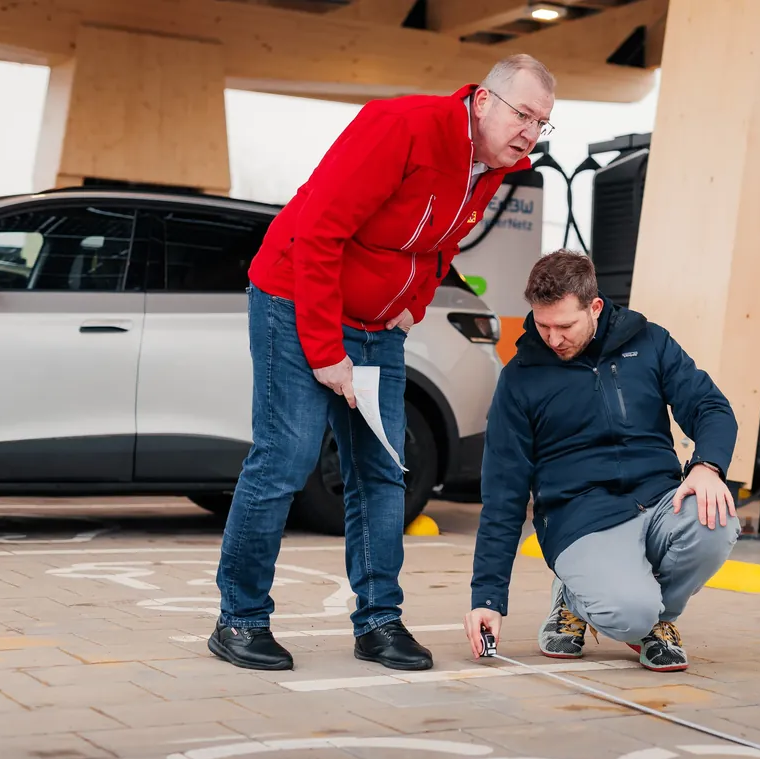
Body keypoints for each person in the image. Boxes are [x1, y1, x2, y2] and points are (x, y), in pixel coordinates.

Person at [209, 54, 558, 672]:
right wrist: (326, 352)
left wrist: (412, 306)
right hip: (295, 301)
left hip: (378, 328)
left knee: (381, 473)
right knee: (286, 458)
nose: (530, 132)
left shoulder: (491, 167)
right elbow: (317, 233)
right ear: (482, 100)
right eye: (523, 115)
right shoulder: (399, 127)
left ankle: (379, 622)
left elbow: (441, 241)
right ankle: (240, 619)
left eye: (542, 123)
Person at [464, 250, 740, 672]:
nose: (553, 339)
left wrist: (707, 466)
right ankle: (576, 596)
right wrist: (487, 597)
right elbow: (504, 491)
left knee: (717, 520)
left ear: (595, 307)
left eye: (565, 326)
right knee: (629, 614)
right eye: (542, 325)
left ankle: (659, 621)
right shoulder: (521, 377)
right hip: (580, 519)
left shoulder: (649, 343)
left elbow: (710, 407)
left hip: (658, 499)